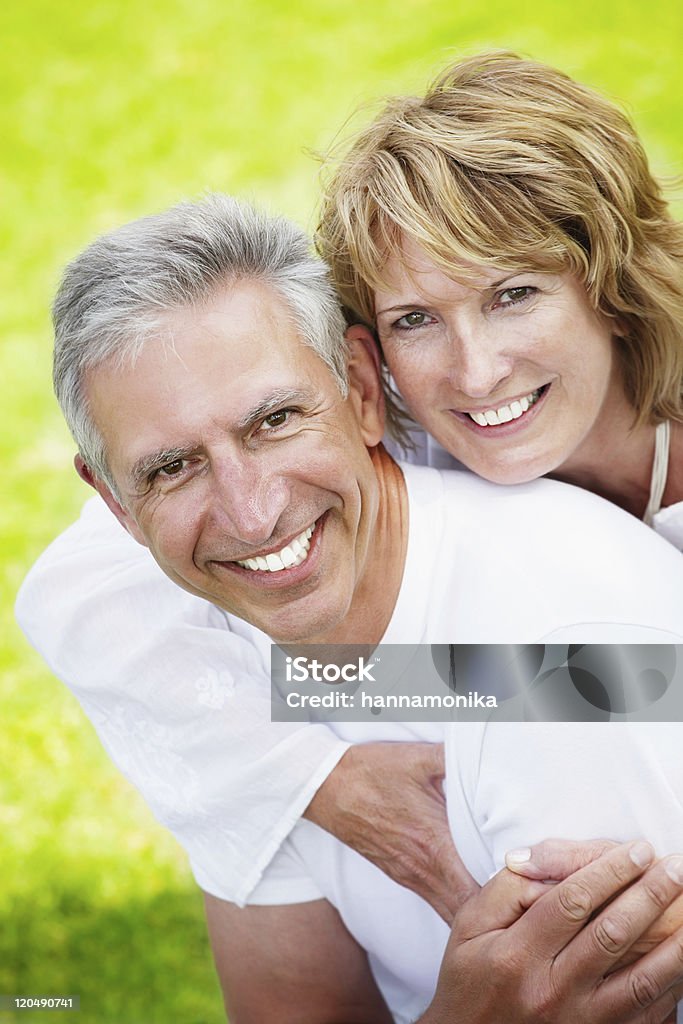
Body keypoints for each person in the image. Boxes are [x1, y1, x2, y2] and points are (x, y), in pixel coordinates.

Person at [16, 194, 683, 1022]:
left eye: (276, 420)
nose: (252, 516)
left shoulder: (569, 664)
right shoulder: (218, 662)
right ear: (117, 506)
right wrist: (311, 778)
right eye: (172, 467)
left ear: (363, 391)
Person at [316, 50, 683, 549]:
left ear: (616, 292)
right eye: (415, 320)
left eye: (513, 295)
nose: (476, 375)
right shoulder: (390, 461)